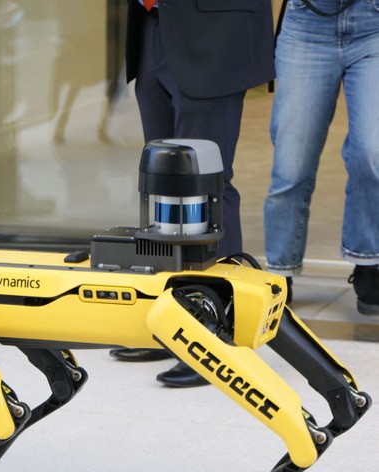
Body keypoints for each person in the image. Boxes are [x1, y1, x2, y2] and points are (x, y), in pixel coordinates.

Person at [110, 0, 276, 387]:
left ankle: (215, 331)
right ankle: (171, 323)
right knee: (164, 183)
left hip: (213, 30)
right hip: (154, 27)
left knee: (206, 184)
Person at [263, 0, 379, 315]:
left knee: (372, 153)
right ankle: (280, 268)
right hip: (306, 24)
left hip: (374, 23)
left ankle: (368, 259)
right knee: (291, 163)